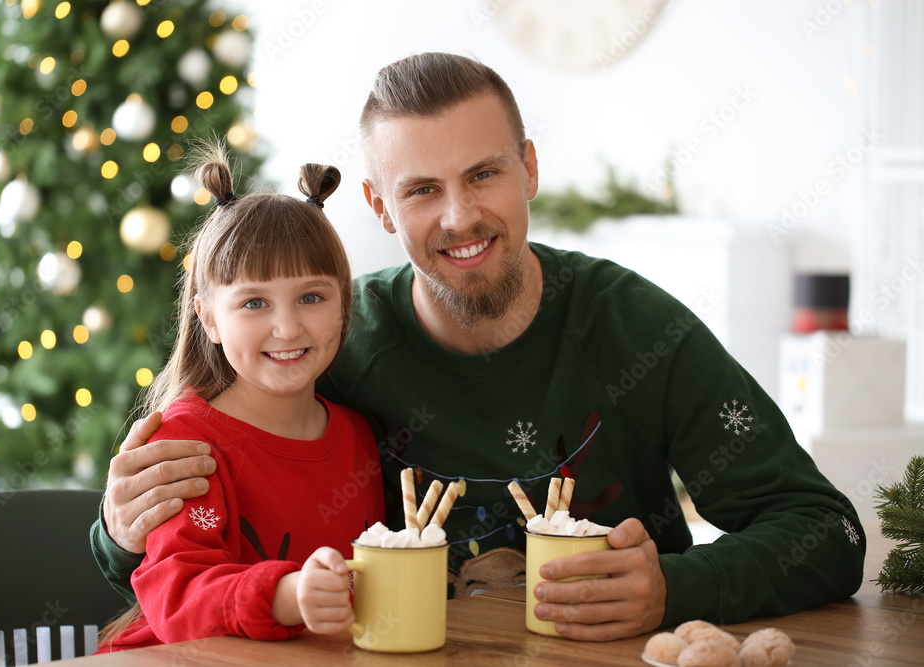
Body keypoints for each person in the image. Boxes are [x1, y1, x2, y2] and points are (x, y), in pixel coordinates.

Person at [91, 54, 865, 642]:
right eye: (422, 189)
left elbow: (828, 532)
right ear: (379, 207)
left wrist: (676, 586)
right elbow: (179, 559)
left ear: (528, 168)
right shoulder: (329, 346)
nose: (460, 216)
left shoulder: (635, 327)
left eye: (485, 173)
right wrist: (117, 530)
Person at [95, 142, 384, 651]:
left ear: (344, 305)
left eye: (311, 297)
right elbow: (177, 595)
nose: (287, 326)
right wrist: (286, 595)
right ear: (208, 318)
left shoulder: (358, 434)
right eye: (254, 302)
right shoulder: (187, 445)